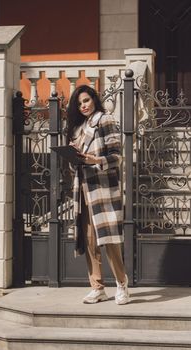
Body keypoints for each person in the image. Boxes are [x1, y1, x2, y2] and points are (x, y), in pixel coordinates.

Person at [66, 84, 129, 305]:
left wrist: (96, 160)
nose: (83, 105)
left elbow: (117, 157)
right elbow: (76, 165)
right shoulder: (78, 129)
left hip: (103, 190)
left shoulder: (105, 120)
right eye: (79, 103)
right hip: (83, 190)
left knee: (110, 240)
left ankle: (122, 284)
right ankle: (97, 287)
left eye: (86, 100)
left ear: (94, 99)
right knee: (90, 240)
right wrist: (74, 157)